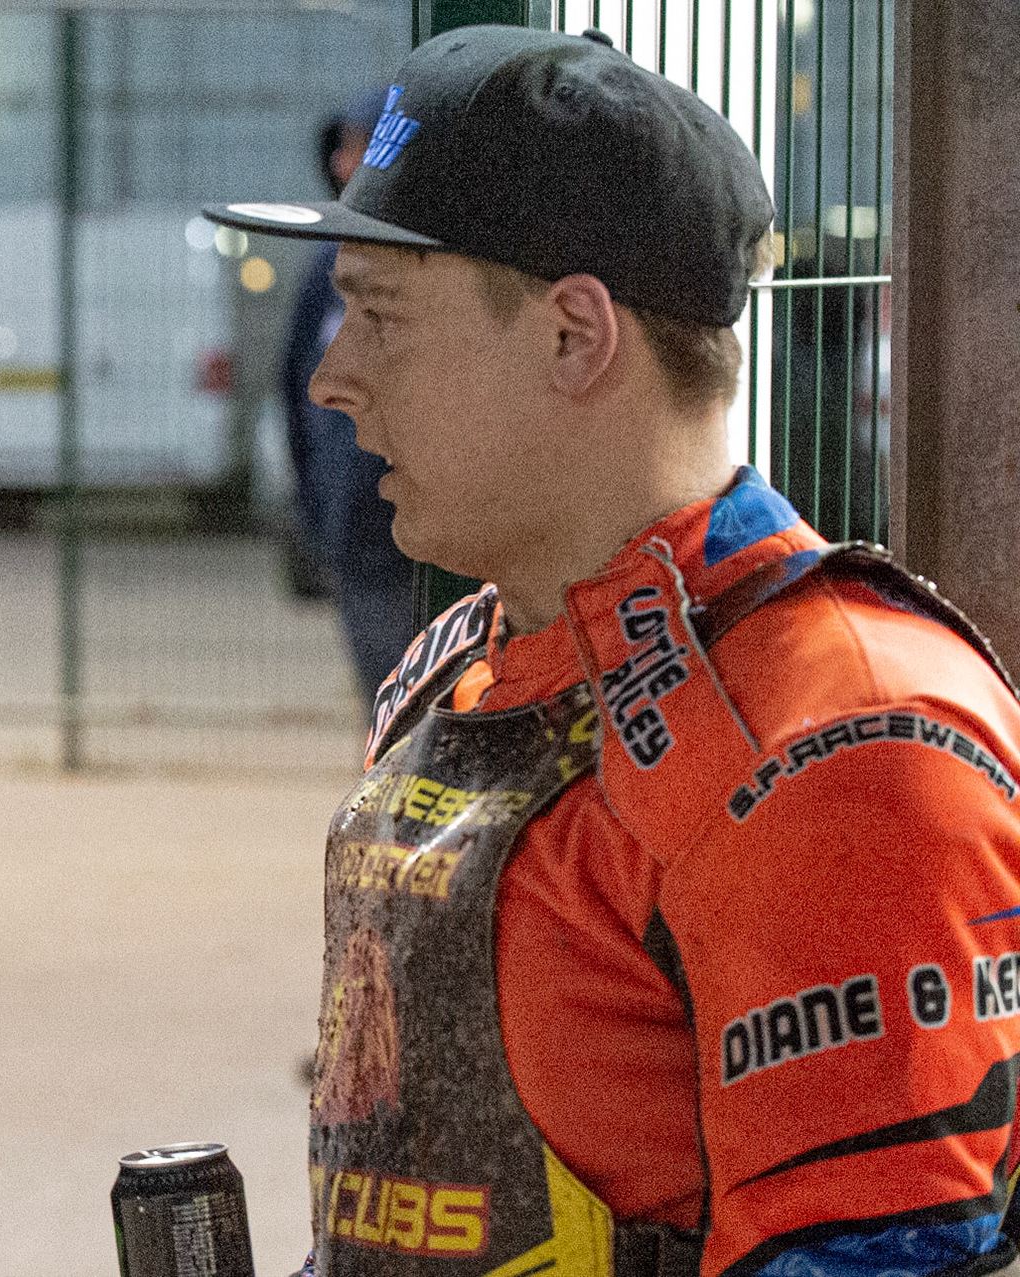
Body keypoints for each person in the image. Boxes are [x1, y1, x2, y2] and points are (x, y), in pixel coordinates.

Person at [208, 24, 1020, 1277]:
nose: (332, 377)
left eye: (380, 317)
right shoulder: (459, 661)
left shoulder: (843, 739)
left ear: (575, 337)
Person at [282, 87, 418, 701]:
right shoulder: (324, 267)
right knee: (385, 689)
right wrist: (314, 502)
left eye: (360, 147)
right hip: (354, 513)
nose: (342, 165)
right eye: (340, 148)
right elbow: (296, 389)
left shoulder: (426, 263)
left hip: (412, 511)